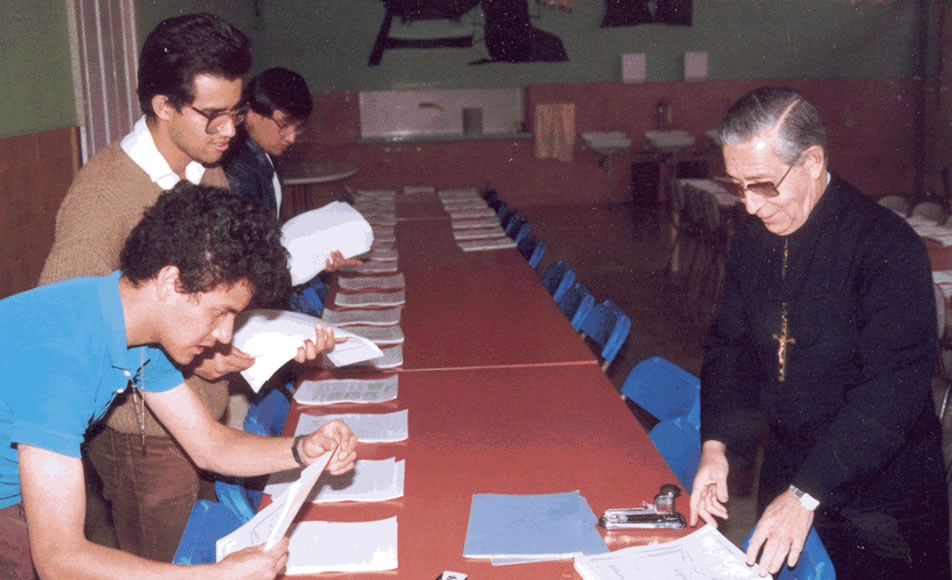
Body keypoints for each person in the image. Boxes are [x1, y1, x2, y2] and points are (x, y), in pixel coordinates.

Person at [39, 13, 338, 562]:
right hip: (144, 435)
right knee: (167, 566)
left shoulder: (206, 170)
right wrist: (194, 363)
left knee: (216, 553)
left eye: (237, 112)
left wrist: (231, 349)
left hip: (201, 417)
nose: (229, 130)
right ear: (164, 106)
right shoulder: (101, 199)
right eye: (212, 115)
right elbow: (73, 329)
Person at [1, 184, 358, 578]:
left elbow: (210, 445)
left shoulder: (136, 328)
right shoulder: (61, 357)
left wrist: (302, 450)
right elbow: (59, 561)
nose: (225, 335)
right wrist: (218, 575)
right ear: (172, 282)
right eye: (220, 312)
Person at [689, 87, 950, 578]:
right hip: (790, 468)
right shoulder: (753, 236)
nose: (749, 206)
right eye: (737, 185)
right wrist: (717, 447)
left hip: (881, 493)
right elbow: (732, 346)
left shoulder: (885, 245)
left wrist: (807, 493)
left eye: (763, 185)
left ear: (812, 161)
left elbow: (891, 392)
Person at [223, 67, 359, 271]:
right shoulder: (237, 169)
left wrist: (316, 257)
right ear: (252, 114)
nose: (292, 137)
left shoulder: (265, 152)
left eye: (298, 127)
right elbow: (248, 258)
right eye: (284, 125)